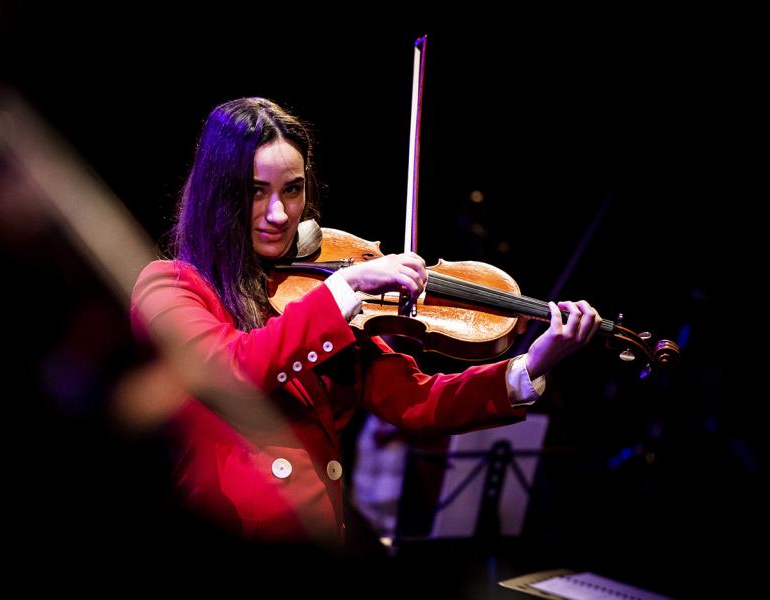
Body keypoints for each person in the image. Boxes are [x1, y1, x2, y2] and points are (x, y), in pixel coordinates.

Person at [130, 97, 601, 548]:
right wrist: (344, 287)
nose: (279, 214)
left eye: (292, 190)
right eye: (255, 192)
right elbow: (232, 372)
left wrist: (530, 366)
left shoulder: (317, 298)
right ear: (219, 193)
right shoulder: (170, 289)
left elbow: (416, 400)